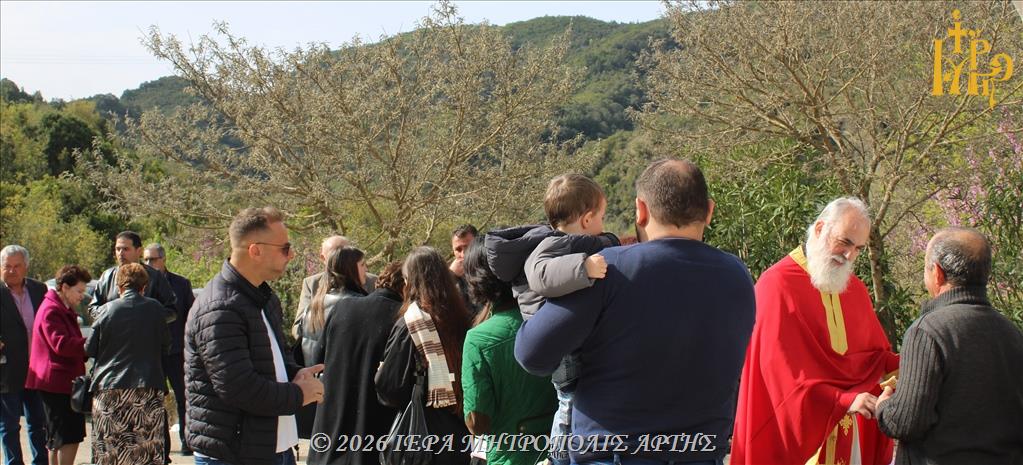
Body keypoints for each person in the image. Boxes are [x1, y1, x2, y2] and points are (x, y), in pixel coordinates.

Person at [516, 159, 756, 465]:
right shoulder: (737, 276)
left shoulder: (609, 268)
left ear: (640, 210)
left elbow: (531, 353)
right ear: (709, 211)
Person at [731, 197, 900, 465]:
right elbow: (778, 375)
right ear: (820, 229)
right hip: (796, 439)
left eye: (858, 248)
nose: (849, 256)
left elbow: (874, 358)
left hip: (850, 434)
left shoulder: (855, 290)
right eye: (844, 242)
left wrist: (911, 365)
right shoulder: (776, 286)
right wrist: (840, 400)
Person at [484, 173, 618, 465]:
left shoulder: (560, 242)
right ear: (587, 219)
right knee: (569, 400)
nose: (603, 224)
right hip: (563, 346)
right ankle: (560, 455)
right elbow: (541, 275)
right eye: (602, 217)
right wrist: (583, 267)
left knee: (570, 399)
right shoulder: (553, 245)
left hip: (562, 341)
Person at [184, 207, 325, 465]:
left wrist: (295, 373)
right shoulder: (220, 308)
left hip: (272, 448)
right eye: (285, 248)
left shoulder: (263, 298)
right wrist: (298, 394)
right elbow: (239, 388)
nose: (292, 254)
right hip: (233, 455)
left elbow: (271, 359)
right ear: (255, 250)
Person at [876, 228, 1023, 464]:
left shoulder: (927, 331)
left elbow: (905, 422)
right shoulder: (1012, 332)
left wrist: (884, 406)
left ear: (937, 273)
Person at [461, 239, 557, 465]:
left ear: (477, 280)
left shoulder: (478, 339)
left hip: (510, 456)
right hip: (562, 450)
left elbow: (477, 422)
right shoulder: (556, 318)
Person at [375, 247, 472, 465]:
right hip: (460, 433)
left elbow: (391, 389)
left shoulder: (411, 324)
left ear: (410, 282)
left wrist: (382, 372)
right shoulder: (462, 317)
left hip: (422, 438)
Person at [307, 261, 404, 465]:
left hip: (331, 425)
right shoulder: (402, 319)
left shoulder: (343, 307)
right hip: (373, 430)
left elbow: (317, 359)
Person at [86, 263, 171, 465]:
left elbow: (89, 349)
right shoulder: (156, 309)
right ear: (144, 287)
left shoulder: (106, 310)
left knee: (110, 452)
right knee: (146, 449)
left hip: (110, 388)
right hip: (147, 388)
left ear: (119, 287)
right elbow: (166, 345)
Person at [294, 246, 369, 439]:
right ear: (350, 268)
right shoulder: (359, 305)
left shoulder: (314, 305)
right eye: (362, 265)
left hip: (316, 394)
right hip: (347, 398)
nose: (367, 270)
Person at [25, 265, 92, 465]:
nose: (82, 296)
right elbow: (61, 345)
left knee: (59, 438)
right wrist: (91, 344)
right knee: (66, 437)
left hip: (60, 382)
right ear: (64, 287)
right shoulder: (52, 310)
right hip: (56, 383)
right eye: (79, 291)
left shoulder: (60, 307)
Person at [143, 243, 196, 457]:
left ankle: (187, 441)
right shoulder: (141, 284)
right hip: (152, 352)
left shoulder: (181, 284)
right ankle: (162, 447)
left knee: (184, 397)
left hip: (176, 351)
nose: (149, 263)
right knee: (155, 400)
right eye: (146, 259)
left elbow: (190, 316)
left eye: (152, 259)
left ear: (163, 260)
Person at [0, 245, 49, 465]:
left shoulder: (39, 290)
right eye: (7, 266)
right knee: (9, 426)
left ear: (26, 267)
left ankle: (41, 462)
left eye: (17, 266)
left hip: (37, 369)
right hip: (7, 370)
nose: (11, 271)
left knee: (39, 423)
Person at [294, 236, 376, 349]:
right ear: (323, 258)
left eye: (344, 251)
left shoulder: (373, 281)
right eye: (335, 252)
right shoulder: (311, 283)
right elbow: (299, 327)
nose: (340, 256)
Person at [88, 231, 176, 323]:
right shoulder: (106, 276)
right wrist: (111, 313)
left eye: (126, 249)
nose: (120, 253)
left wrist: (146, 317)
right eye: (118, 249)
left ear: (139, 251)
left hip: (144, 331)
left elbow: (171, 311)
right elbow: (93, 309)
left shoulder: (155, 276)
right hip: (114, 331)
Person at [449, 225, 481, 316]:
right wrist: (450, 276)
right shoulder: (449, 277)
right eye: (458, 250)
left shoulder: (492, 270)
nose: (463, 255)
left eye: (468, 248)